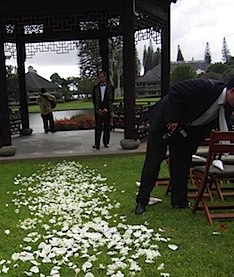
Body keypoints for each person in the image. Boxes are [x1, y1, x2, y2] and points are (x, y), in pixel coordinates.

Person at [135, 77, 234, 215]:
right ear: (232, 91)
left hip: (186, 131)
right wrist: (173, 119)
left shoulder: (228, 106)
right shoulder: (206, 86)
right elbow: (175, 90)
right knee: (154, 160)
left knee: (182, 164)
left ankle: (179, 201)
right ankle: (142, 201)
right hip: (165, 120)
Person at [92, 71, 114, 149]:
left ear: (105, 77)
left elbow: (111, 100)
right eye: (99, 77)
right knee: (98, 127)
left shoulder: (110, 87)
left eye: (102, 77)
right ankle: (97, 143)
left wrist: (106, 109)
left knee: (106, 127)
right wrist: (98, 110)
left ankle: (106, 142)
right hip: (98, 111)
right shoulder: (96, 88)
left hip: (107, 110)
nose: (101, 79)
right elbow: (94, 100)